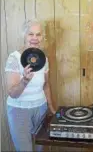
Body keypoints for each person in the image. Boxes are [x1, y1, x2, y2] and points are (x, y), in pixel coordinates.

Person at [5, 18, 56, 152]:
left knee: (42, 148)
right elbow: (12, 93)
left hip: (41, 108)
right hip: (19, 111)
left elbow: (46, 85)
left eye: (38, 34)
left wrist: (51, 108)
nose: (35, 38)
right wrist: (25, 81)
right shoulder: (14, 58)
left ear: (42, 37)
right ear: (24, 36)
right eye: (30, 34)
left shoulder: (44, 59)